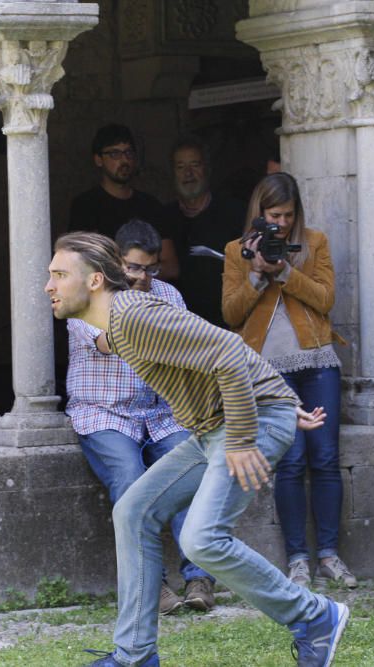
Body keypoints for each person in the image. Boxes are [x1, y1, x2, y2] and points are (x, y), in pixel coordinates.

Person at [45, 232, 348, 667]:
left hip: (243, 423)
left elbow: (226, 350)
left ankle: (314, 616)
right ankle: (134, 655)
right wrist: (276, 397)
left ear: (94, 281)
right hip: (221, 425)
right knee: (133, 512)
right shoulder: (121, 322)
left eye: (59, 275)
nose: (49, 286)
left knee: (202, 539)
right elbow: (207, 343)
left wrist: (255, 426)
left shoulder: (132, 317)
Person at [65, 220, 215, 614]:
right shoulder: (87, 296)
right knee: (129, 480)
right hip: (104, 414)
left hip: (159, 414)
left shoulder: (169, 295)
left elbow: (187, 352)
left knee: (190, 468)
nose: (144, 278)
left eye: (152, 269)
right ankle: (151, 585)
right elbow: (106, 341)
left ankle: (199, 576)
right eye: (135, 269)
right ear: (116, 263)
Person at [221, 172, 354, 591]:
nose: (280, 223)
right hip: (268, 370)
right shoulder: (235, 251)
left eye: (287, 215)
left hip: (317, 361)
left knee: (326, 458)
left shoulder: (313, 243)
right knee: (291, 461)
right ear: (258, 214)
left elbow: (326, 298)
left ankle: (329, 556)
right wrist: (257, 274)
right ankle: (298, 558)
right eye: (273, 215)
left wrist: (285, 273)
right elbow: (231, 313)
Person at [68, 123, 176, 277]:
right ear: (99, 159)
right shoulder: (86, 206)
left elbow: (171, 267)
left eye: (129, 153)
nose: (124, 160)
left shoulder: (151, 205)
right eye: (115, 154)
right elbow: (85, 263)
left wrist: (136, 273)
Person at [160, 136, 245, 327]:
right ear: (173, 173)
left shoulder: (234, 212)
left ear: (207, 168)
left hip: (228, 325)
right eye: (180, 167)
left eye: (195, 165)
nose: (188, 174)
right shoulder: (163, 217)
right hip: (180, 327)